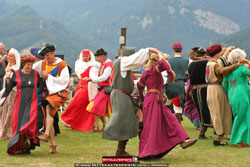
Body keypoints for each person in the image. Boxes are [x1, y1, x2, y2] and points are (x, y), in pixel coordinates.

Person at [137, 52, 198, 159]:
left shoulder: (148, 72)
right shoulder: (154, 70)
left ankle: (182, 141)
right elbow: (164, 66)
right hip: (154, 99)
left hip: (152, 99)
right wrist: (161, 57)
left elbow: (139, 85)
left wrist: (143, 99)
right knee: (157, 124)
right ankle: (149, 151)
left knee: (166, 121)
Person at [103, 47, 153, 156]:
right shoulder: (122, 62)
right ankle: (121, 150)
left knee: (140, 116)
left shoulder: (122, 64)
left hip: (123, 95)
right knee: (124, 121)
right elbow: (137, 59)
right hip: (120, 96)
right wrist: (148, 49)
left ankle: (146, 148)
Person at [1, 54, 43, 154]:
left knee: (29, 122)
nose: (29, 66)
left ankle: (28, 141)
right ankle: (21, 146)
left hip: (32, 102)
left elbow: (41, 86)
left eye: (31, 64)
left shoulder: (36, 74)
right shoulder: (16, 74)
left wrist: (40, 94)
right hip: (19, 103)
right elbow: (8, 88)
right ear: (23, 64)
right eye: (27, 64)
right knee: (19, 125)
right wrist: (7, 79)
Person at [33, 44, 70, 153]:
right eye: (44, 55)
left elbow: (64, 81)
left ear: (53, 53)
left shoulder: (62, 65)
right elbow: (31, 67)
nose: (46, 57)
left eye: (48, 55)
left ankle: (46, 134)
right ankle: (53, 144)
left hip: (60, 93)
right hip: (49, 94)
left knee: (49, 110)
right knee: (49, 116)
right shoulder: (43, 63)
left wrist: (48, 76)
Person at [205, 44, 241, 146]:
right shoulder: (215, 65)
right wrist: (235, 66)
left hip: (210, 89)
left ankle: (220, 136)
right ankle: (219, 137)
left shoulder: (209, 63)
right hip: (216, 88)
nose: (221, 53)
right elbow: (222, 71)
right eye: (220, 52)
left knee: (216, 112)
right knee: (221, 112)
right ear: (217, 53)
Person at [60, 49, 98, 132]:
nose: (85, 58)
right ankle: (72, 121)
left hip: (89, 87)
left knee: (85, 104)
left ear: (90, 56)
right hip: (80, 86)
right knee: (75, 103)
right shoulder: (79, 64)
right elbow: (79, 74)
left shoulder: (94, 65)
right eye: (83, 56)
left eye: (86, 56)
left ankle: (91, 124)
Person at [222, 48, 250, 147]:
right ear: (240, 58)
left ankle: (244, 139)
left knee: (240, 116)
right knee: (243, 117)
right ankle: (238, 140)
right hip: (243, 95)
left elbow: (225, 85)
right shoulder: (242, 68)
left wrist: (232, 89)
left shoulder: (229, 71)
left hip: (232, 95)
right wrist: (248, 62)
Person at [84, 48, 113, 132]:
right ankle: (101, 125)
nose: (97, 59)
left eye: (98, 57)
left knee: (95, 107)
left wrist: (92, 79)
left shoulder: (108, 64)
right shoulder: (103, 63)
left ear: (103, 56)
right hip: (102, 89)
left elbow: (104, 77)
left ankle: (96, 126)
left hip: (106, 89)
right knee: (97, 108)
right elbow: (94, 64)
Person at [188, 47, 212, 138]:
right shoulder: (206, 63)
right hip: (204, 89)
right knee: (205, 110)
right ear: (204, 55)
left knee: (200, 110)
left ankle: (203, 131)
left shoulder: (191, 65)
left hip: (194, 90)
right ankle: (203, 132)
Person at [0, 48, 20, 139]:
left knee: (8, 111)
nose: (9, 57)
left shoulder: (15, 68)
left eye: (11, 56)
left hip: (11, 93)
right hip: (5, 92)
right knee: (3, 111)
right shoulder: (8, 65)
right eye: (8, 55)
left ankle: (7, 131)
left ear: (15, 58)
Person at [165, 43, 189, 122]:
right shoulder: (186, 61)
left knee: (174, 103)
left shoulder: (169, 61)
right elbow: (188, 73)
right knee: (180, 102)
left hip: (171, 83)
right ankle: (178, 117)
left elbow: (165, 73)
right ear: (181, 50)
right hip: (181, 84)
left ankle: (176, 118)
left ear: (173, 50)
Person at [183, 48, 202, 129]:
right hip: (193, 84)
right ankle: (198, 122)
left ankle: (198, 123)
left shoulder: (190, 63)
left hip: (191, 84)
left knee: (191, 105)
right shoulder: (193, 63)